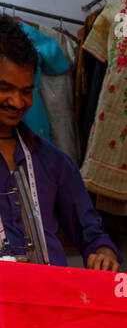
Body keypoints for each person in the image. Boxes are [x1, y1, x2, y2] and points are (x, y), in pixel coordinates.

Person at [0, 16, 120, 269]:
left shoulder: (54, 162)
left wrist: (103, 253)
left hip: (48, 300)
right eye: (5, 88)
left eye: (26, 91)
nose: (17, 102)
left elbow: (92, 234)